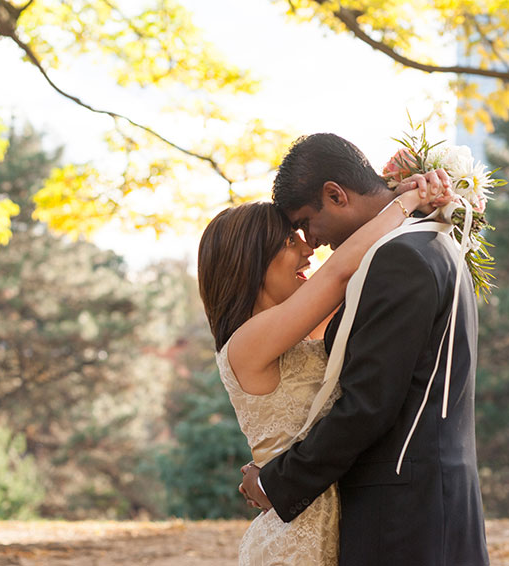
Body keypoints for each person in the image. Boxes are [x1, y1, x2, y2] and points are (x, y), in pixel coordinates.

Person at [238, 133, 490, 565]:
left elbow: (369, 403)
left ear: (335, 195)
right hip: (434, 501)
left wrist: (275, 482)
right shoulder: (433, 244)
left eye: (305, 222)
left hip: (402, 515)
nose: (310, 241)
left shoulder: (399, 258)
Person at [198, 166, 449, 565]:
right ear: (251, 260)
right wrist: (406, 201)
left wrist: (388, 190)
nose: (308, 250)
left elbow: (366, 274)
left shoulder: (302, 328)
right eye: (288, 241)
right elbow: (338, 272)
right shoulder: (245, 343)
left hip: (341, 521)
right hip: (295, 538)